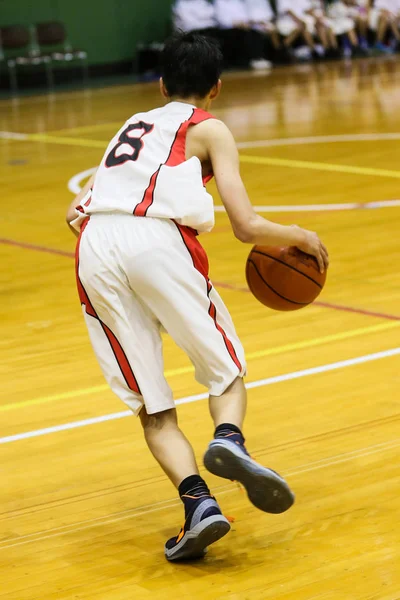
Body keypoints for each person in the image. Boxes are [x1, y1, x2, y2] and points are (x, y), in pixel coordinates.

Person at [66, 32, 329, 562]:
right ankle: (229, 438)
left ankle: (198, 506)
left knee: (153, 407)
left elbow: (74, 213)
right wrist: (300, 235)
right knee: (225, 369)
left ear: (160, 84)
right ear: (218, 88)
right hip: (156, 241)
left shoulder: (132, 125)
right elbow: (246, 226)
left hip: (96, 247)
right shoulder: (208, 127)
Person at [213, 0, 272, 69]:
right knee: (245, 33)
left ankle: (258, 58)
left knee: (254, 31)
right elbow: (223, 21)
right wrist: (238, 24)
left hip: (242, 27)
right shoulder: (218, 2)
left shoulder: (237, 2)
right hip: (227, 29)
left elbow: (245, 17)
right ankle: (253, 59)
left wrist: (246, 23)